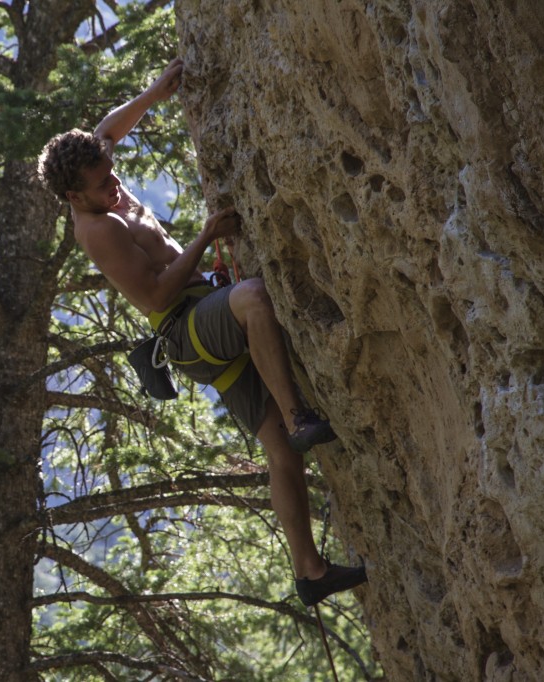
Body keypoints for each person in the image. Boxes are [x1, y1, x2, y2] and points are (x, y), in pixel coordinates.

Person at [37, 58, 367, 606]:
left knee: (280, 453)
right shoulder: (97, 231)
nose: (114, 184)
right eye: (101, 185)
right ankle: (299, 414)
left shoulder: (94, 170)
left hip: (200, 317)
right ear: (74, 198)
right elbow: (156, 295)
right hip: (184, 328)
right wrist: (206, 236)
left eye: (111, 171)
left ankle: (309, 572)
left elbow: (108, 131)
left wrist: (155, 92)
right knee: (254, 297)